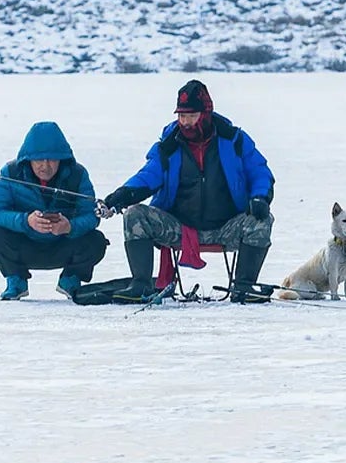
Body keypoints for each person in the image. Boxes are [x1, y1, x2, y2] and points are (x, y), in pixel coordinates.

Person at [99, 80, 275, 302]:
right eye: (181, 116)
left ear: (206, 114)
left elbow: (260, 172)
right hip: (180, 229)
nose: (186, 122)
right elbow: (148, 176)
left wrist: (260, 197)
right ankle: (141, 286)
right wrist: (122, 195)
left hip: (227, 227)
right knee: (135, 215)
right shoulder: (168, 146)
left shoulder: (235, 140)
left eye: (191, 116)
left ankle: (243, 287)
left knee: (263, 219)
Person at [0, 121, 108, 300]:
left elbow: (91, 215)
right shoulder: (10, 173)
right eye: (39, 159)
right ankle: (16, 279)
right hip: (25, 243)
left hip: (63, 243)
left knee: (96, 240)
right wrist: (26, 221)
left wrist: (69, 227)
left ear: (62, 159)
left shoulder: (78, 174)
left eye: (52, 159)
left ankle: (71, 278)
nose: (45, 165)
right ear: (28, 159)